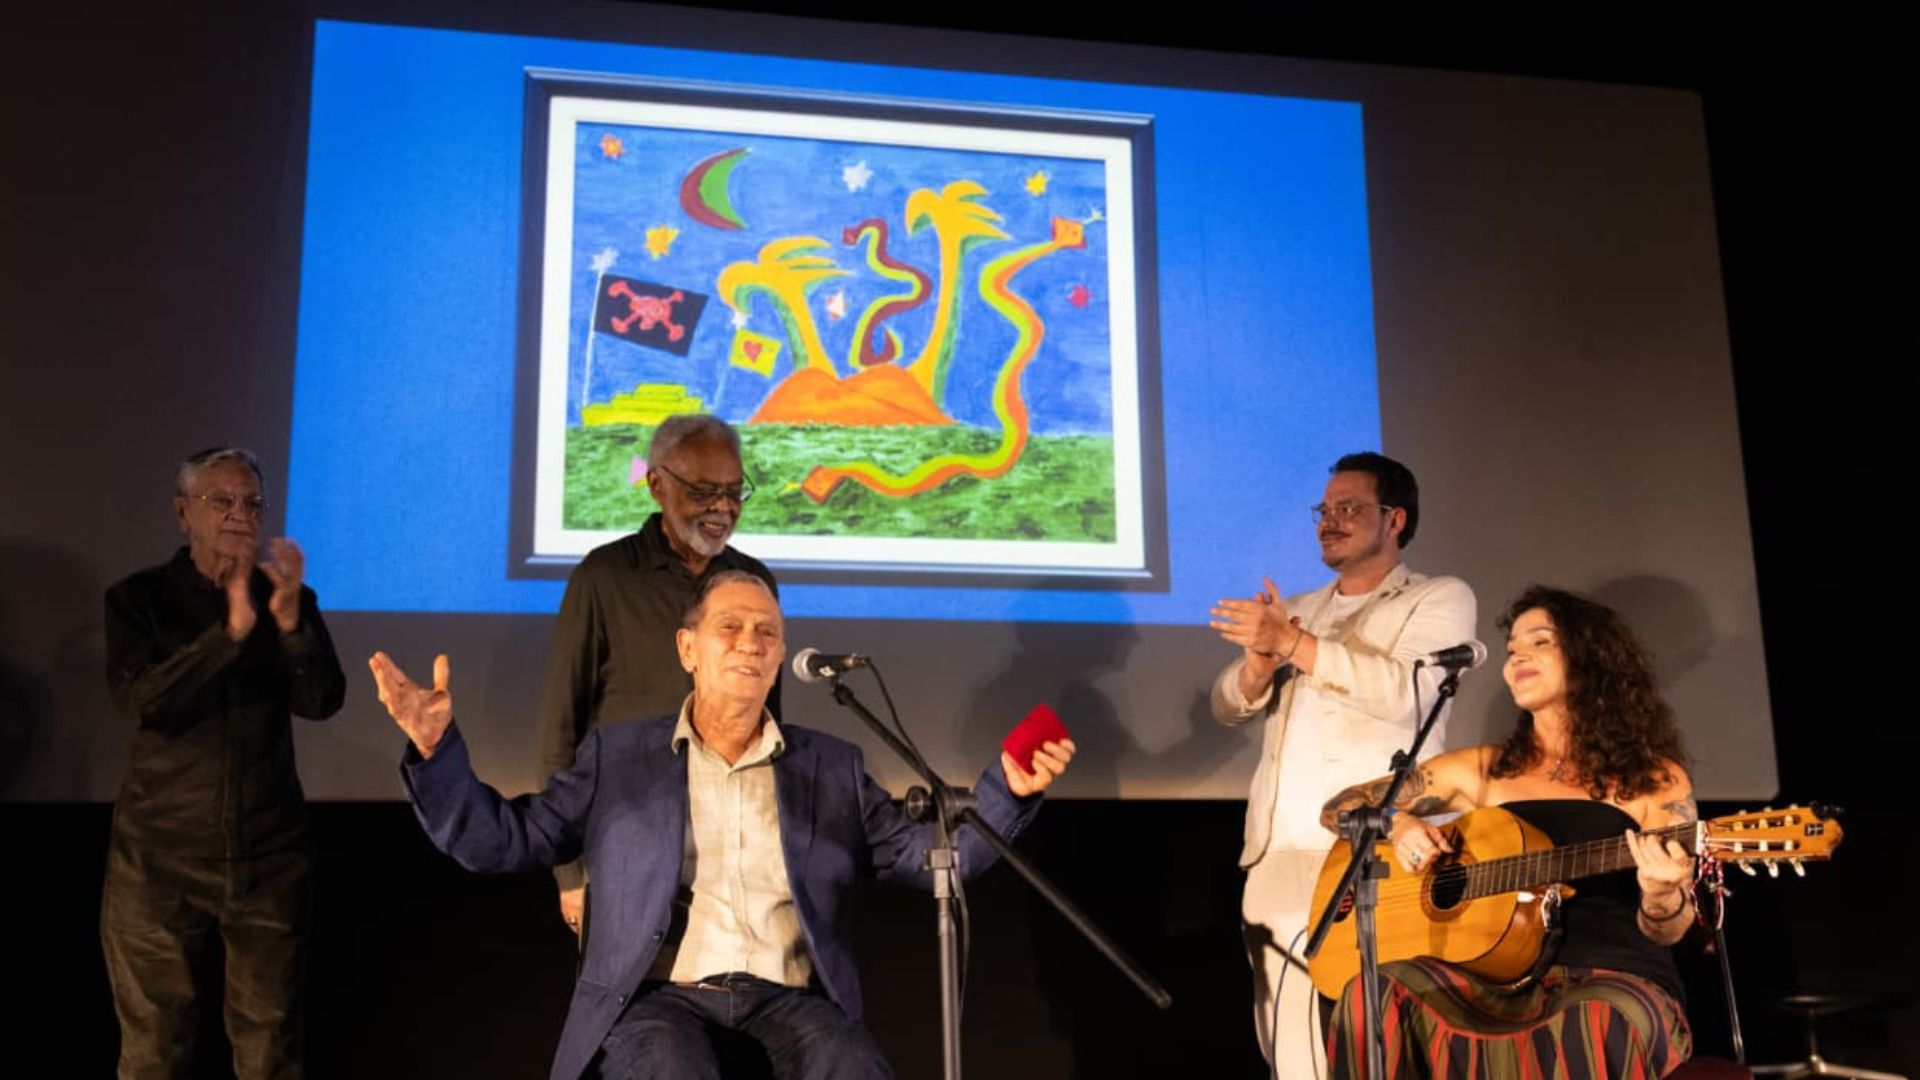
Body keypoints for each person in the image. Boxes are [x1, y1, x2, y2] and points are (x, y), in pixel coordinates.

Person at [371, 572, 1074, 1080]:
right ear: (688, 649)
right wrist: (437, 753)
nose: (751, 643)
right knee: (669, 1068)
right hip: (662, 999)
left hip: (792, 1001)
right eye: (730, 628)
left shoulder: (830, 765)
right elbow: (504, 841)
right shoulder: (620, 757)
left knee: (852, 1065)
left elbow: (931, 859)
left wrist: (1007, 790)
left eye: (768, 632)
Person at [1316, 585, 1697, 1078]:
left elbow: (1670, 927)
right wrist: (1398, 821)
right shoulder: (1483, 769)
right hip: (1489, 984)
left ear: (1591, 658)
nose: (1517, 656)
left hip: (1607, 976)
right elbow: (1338, 810)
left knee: (1594, 1019)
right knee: (1375, 993)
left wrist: (1662, 895)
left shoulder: (1653, 779)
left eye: (1539, 642)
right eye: (1512, 648)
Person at [1209, 452, 1477, 1077]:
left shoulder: (1437, 597)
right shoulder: (1300, 608)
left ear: (1395, 519)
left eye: (1349, 508)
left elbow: (1407, 692)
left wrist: (1295, 645)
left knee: (1389, 1025)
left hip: (1383, 844)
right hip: (1282, 851)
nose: (1330, 521)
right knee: (1290, 1047)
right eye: (1324, 510)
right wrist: (1256, 667)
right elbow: (1227, 706)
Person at [101, 446, 346, 1079]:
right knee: (155, 1051)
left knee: (270, 1051)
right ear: (183, 513)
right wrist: (227, 635)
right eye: (222, 500)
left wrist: (289, 625)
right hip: (159, 859)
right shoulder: (139, 599)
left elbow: (322, 700)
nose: (240, 514)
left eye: (252, 502)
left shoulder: (287, 597)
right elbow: (138, 697)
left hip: (267, 858)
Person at [538, 414, 779, 937]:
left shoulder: (754, 583)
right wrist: (570, 873)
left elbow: (770, 732)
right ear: (656, 484)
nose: (723, 508)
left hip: (731, 859)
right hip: (623, 850)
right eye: (703, 491)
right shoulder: (604, 577)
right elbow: (562, 730)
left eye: (735, 491)